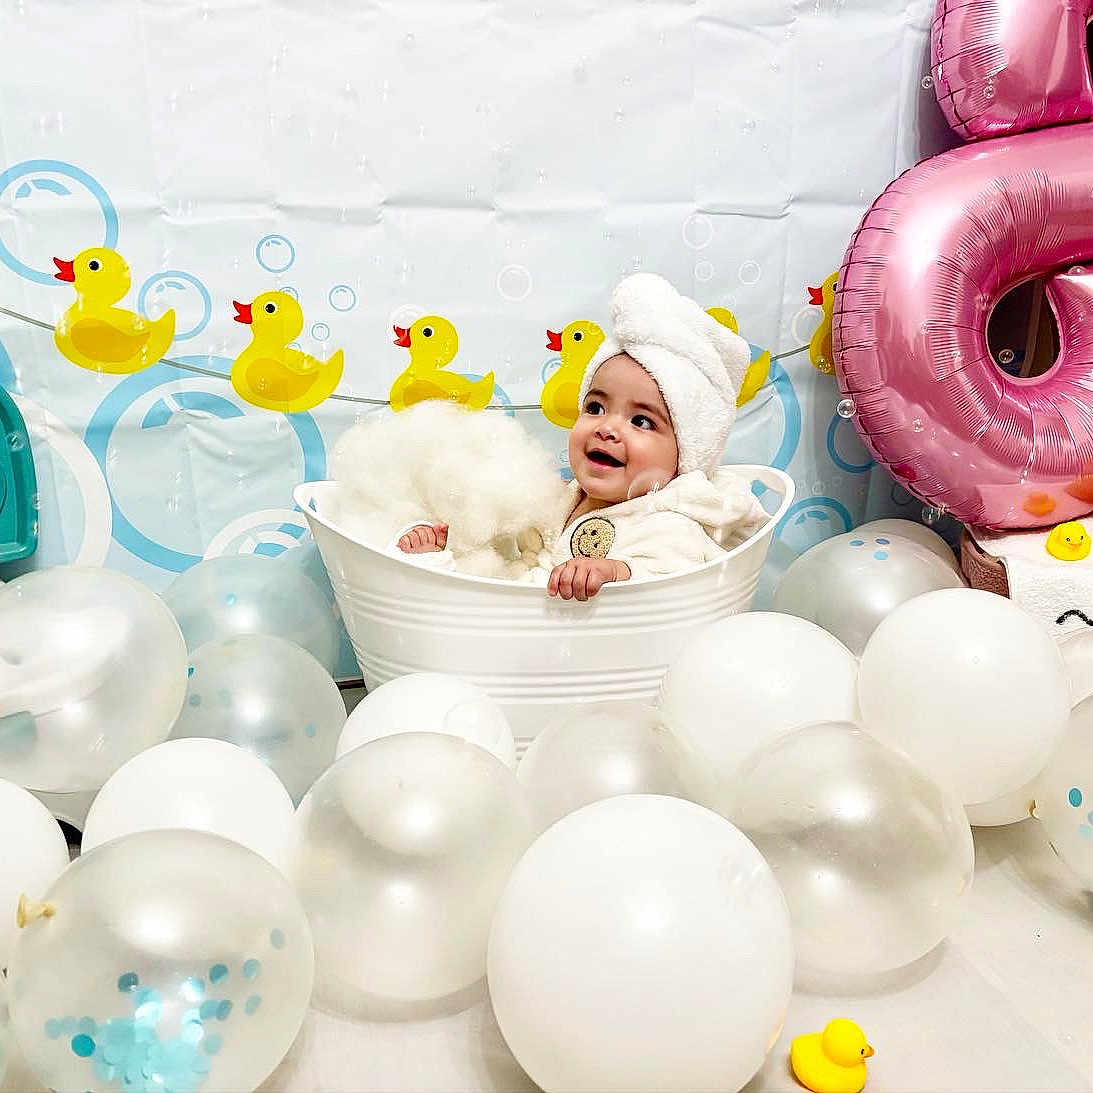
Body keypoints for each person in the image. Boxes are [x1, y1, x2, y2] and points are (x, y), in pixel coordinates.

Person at [395, 272, 768, 599]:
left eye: (641, 421)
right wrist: (445, 548)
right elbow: (506, 562)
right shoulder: (560, 499)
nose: (607, 427)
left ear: (685, 454)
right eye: (595, 407)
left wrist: (618, 573)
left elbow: (679, 581)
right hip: (526, 630)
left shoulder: (670, 521)